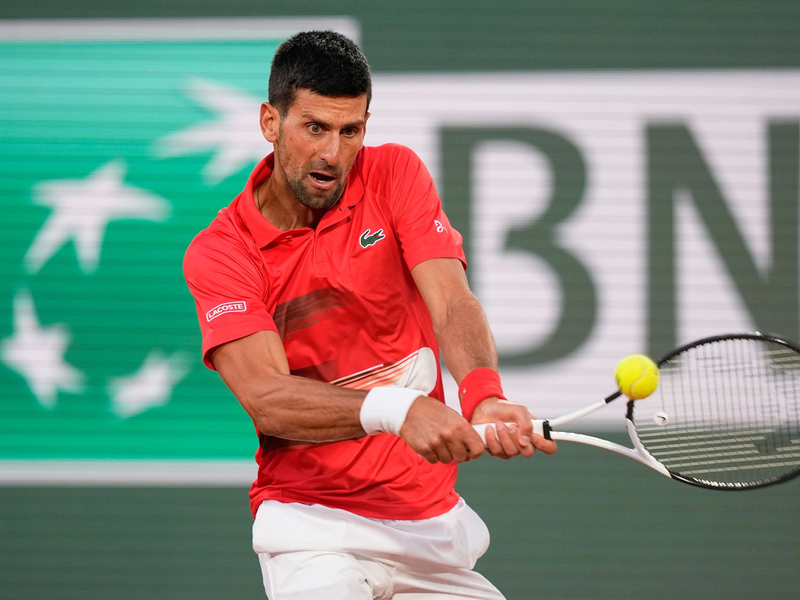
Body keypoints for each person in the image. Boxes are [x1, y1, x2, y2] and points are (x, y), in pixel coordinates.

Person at [183, 30, 556, 600]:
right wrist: (399, 409)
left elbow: (452, 300)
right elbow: (268, 397)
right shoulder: (222, 253)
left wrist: (483, 394)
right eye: (315, 128)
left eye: (350, 130)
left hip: (431, 534)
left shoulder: (394, 174)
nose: (332, 154)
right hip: (312, 533)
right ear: (269, 122)